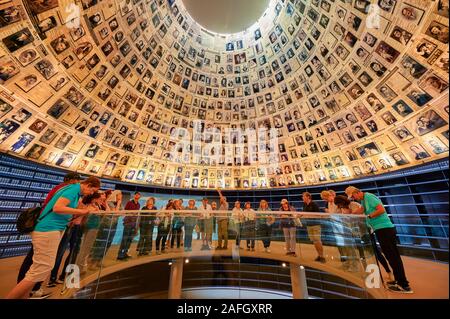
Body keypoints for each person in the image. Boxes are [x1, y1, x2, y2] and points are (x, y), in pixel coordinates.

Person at [6, 177, 101, 299]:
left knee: (40, 268)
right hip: (48, 230)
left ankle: (24, 296)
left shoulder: (74, 191)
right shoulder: (73, 189)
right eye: (92, 190)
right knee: (41, 268)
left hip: (51, 229)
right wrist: (81, 212)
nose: (92, 193)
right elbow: (58, 208)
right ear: (88, 185)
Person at [17, 172, 81, 298]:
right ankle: (29, 288)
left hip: (50, 226)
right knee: (38, 261)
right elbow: (57, 208)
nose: (77, 183)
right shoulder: (66, 190)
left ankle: (29, 287)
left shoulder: (65, 189)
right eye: (76, 180)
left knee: (36, 260)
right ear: (69, 180)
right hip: (49, 227)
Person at [345, 186, 413, 293]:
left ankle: (404, 285)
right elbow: (361, 210)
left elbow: (381, 209)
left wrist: (370, 216)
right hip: (380, 229)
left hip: (385, 229)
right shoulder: (363, 200)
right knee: (390, 256)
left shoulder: (369, 196)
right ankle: (398, 280)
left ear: (356, 192)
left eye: (353, 196)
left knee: (393, 257)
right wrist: (349, 216)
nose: (353, 199)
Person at [334, 195, 393, 281]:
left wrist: (349, 213)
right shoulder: (343, 208)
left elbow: (359, 217)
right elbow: (343, 218)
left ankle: (388, 271)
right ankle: (366, 272)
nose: (339, 206)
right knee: (361, 255)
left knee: (376, 253)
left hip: (365, 231)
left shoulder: (353, 204)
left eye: (339, 204)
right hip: (355, 233)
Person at [117, 192, 141, 260]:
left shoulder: (138, 204)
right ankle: (120, 255)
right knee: (125, 239)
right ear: (134, 195)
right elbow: (126, 211)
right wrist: (131, 213)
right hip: (128, 223)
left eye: (139, 195)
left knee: (129, 239)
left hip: (133, 224)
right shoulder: (129, 202)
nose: (137, 196)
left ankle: (125, 253)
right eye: (136, 194)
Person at [302, 192, 325, 263]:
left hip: (315, 225)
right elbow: (304, 213)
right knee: (314, 241)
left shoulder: (314, 204)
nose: (302, 198)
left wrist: (309, 216)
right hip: (309, 225)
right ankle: (319, 255)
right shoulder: (305, 204)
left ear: (308, 197)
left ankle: (322, 256)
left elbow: (317, 215)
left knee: (318, 240)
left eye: (303, 196)